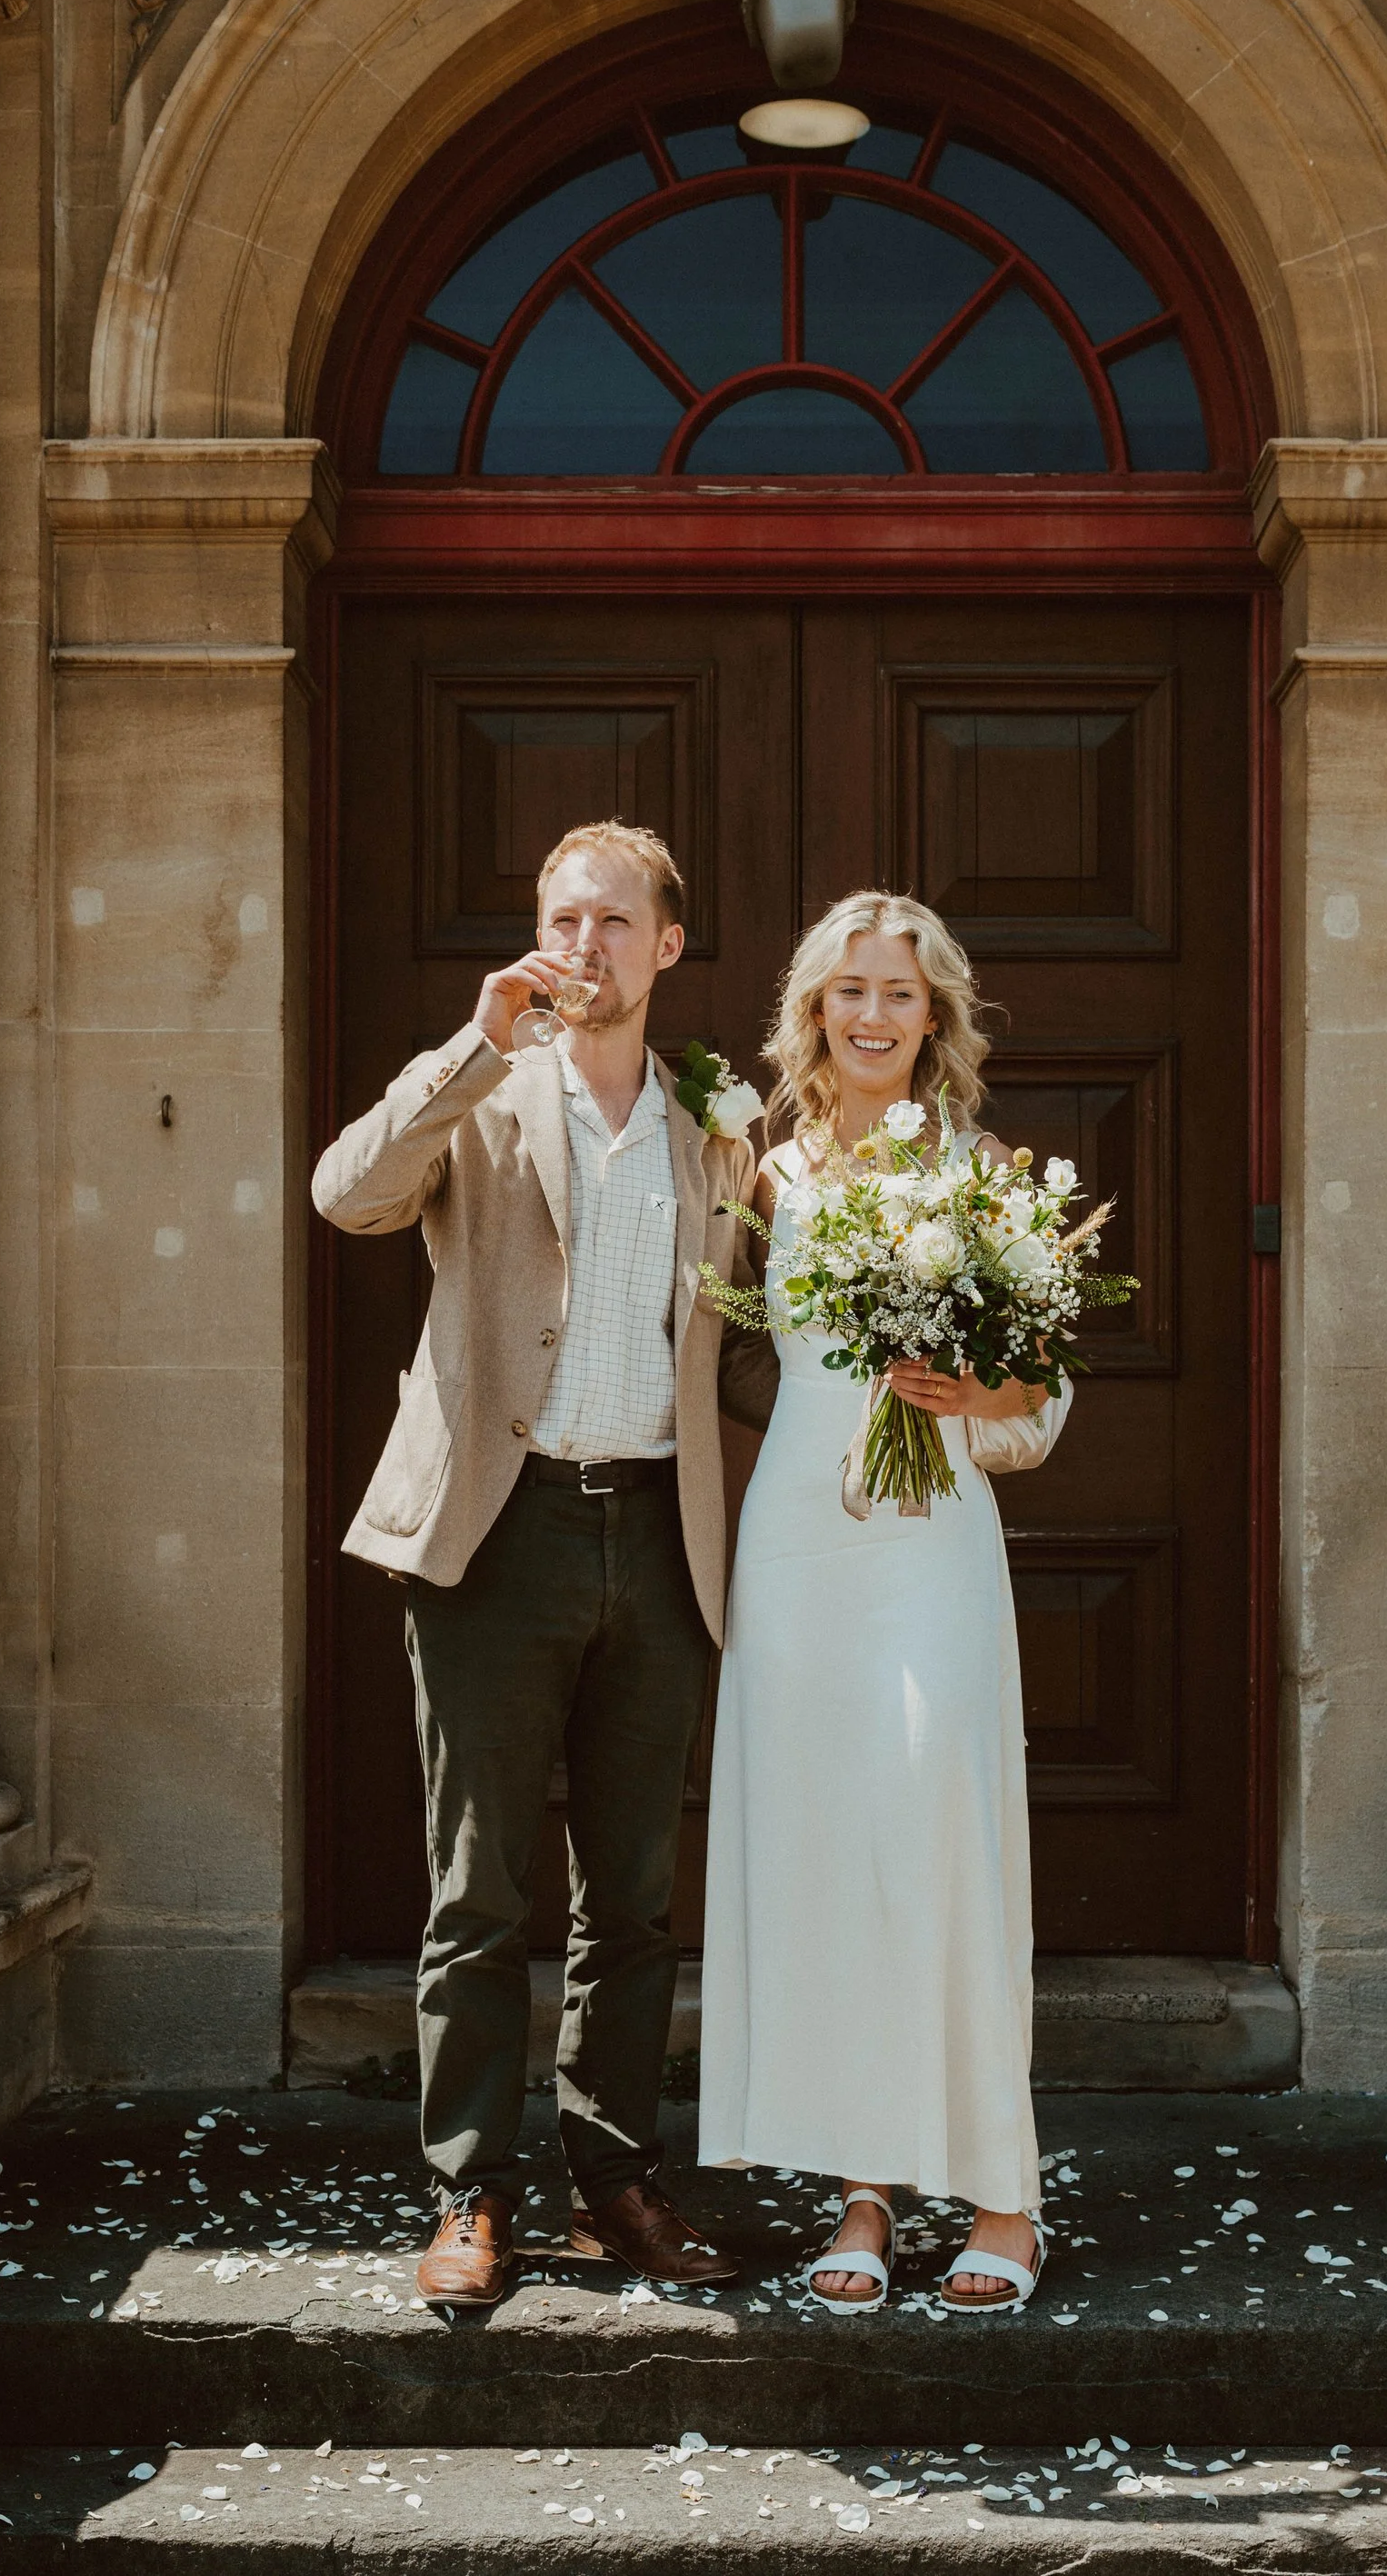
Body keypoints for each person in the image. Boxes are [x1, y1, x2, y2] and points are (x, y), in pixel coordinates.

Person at [312, 820, 774, 2309]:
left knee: (632, 1896)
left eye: (614, 922)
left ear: (668, 946)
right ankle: (467, 2191)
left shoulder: (720, 1126)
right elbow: (349, 1194)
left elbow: (767, 1323)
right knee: (479, 1892)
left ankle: (617, 2179)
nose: (585, 946)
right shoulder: (490, 1096)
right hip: (495, 1532)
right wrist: (469, 1045)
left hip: (657, 1533)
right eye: (563, 919)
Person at [699, 893, 1058, 2311]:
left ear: (935, 1017)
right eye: (848, 991)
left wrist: (974, 1395)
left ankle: (1008, 2201)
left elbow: (1038, 1392)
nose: (870, 1015)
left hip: (933, 1540)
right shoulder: (766, 1178)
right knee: (831, 1857)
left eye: (897, 995)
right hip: (798, 1545)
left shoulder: (990, 1177)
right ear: (813, 1011)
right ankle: (861, 2198)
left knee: (946, 1842)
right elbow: (733, 1356)